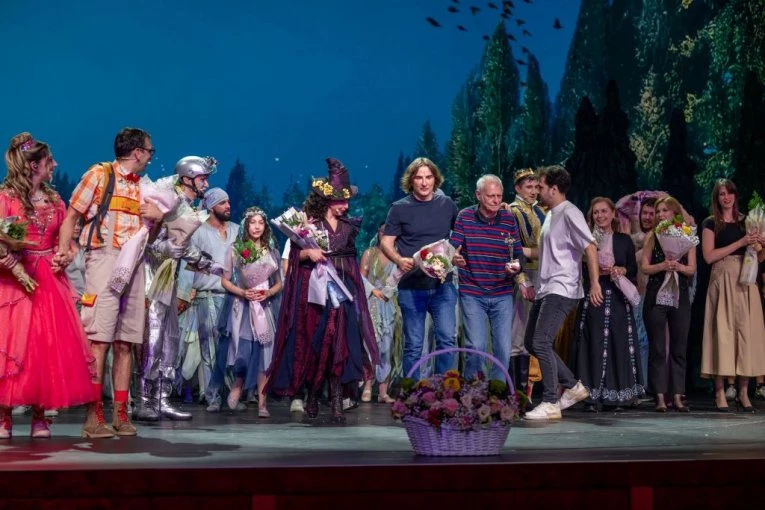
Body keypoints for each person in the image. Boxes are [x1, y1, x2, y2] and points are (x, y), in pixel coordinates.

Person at [58, 127, 164, 438]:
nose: (150, 156)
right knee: (99, 340)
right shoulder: (100, 175)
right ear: (137, 152)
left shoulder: (145, 187)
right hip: (104, 260)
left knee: (125, 342)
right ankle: (93, 415)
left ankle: (120, 413)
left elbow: (151, 238)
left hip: (135, 264)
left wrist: (157, 219)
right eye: (149, 151)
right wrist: (63, 252)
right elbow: (71, 216)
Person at [268, 158, 379, 423]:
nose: (345, 205)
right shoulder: (309, 225)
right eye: (340, 201)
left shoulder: (350, 226)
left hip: (341, 292)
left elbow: (351, 260)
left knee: (339, 343)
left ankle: (338, 400)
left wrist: (352, 287)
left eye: (347, 201)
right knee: (315, 343)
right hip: (314, 294)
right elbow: (294, 259)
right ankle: (313, 394)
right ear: (326, 200)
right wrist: (308, 253)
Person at [0, 133, 95, 438]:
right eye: (49, 161)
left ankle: (40, 414)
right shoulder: (6, 197)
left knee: (46, 345)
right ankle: (4, 415)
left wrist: (63, 256)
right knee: (14, 343)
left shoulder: (55, 200)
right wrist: (14, 265)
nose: (54, 165)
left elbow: (60, 240)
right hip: (15, 279)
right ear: (34, 166)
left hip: (48, 279)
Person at [133, 156, 224, 422]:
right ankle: (143, 400)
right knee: (153, 339)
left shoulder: (186, 205)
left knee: (170, 339)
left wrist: (207, 264)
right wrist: (165, 248)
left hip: (168, 278)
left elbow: (182, 244)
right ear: (187, 179)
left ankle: (162, 398)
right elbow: (147, 238)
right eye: (202, 179)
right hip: (152, 278)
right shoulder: (167, 201)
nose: (205, 184)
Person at [522, 165, 602, 421]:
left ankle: (550, 401)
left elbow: (590, 246)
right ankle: (573, 386)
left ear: (554, 189)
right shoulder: (551, 215)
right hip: (546, 287)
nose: (538, 191)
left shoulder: (570, 212)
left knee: (541, 341)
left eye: (541, 187)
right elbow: (546, 252)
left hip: (562, 287)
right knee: (531, 342)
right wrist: (516, 253)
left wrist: (595, 283)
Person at [380, 157, 459, 380]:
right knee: (414, 344)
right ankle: (412, 393)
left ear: (435, 179)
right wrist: (398, 259)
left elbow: (462, 235)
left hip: (443, 285)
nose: (424, 182)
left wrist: (455, 255)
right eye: (419, 178)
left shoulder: (447, 205)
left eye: (428, 177)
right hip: (411, 286)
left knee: (447, 340)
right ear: (411, 181)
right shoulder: (399, 208)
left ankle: (443, 391)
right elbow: (386, 242)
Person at [574, 197, 644, 412]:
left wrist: (622, 270)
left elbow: (633, 268)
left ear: (613, 213)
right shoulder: (587, 239)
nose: (600, 216)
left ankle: (618, 396)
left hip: (618, 295)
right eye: (596, 212)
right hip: (595, 293)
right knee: (594, 341)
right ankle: (591, 396)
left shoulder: (624, 240)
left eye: (604, 211)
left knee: (618, 341)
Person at [209, 207, 281, 417]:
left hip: (264, 307)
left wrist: (268, 293)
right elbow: (224, 280)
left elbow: (279, 283)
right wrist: (242, 292)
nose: (257, 227)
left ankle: (262, 403)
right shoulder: (236, 249)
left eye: (261, 222)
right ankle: (238, 385)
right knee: (243, 352)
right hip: (242, 306)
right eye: (253, 222)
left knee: (265, 354)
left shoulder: (272, 250)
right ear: (246, 225)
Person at [700, 179, 765, 413]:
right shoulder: (710, 223)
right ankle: (720, 392)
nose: (726, 198)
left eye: (729, 193)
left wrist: (761, 245)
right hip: (722, 280)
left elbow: (759, 257)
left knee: (746, 335)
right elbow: (708, 256)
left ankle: (744, 392)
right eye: (721, 194)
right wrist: (741, 242)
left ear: (736, 196)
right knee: (722, 335)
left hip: (747, 279)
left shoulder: (748, 221)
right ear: (717, 198)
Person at [450, 174, 523, 380]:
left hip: (502, 292)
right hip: (472, 291)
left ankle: (497, 391)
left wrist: (516, 266)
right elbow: (452, 248)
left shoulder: (508, 219)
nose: (496, 200)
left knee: (503, 348)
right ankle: (474, 390)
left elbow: (518, 253)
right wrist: (454, 257)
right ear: (478, 195)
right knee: (476, 346)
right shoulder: (465, 216)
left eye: (499, 196)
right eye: (491, 196)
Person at [177, 188, 239, 410]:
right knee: (209, 348)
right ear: (211, 207)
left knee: (232, 348)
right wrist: (184, 295)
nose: (228, 206)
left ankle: (232, 394)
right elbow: (187, 264)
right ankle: (212, 396)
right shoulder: (199, 232)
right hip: (207, 297)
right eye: (222, 203)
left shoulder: (237, 230)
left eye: (228, 202)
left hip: (234, 297)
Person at [641, 196, 695, 412]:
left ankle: (678, 395)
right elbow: (645, 267)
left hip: (680, 293)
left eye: (664, 210)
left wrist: (678, 267)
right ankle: (660, 396)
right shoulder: (652, 236)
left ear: (674, 213)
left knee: (679, 347)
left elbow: (691, 269)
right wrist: (662, 265)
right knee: (657, 348)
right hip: (656, 292)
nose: (660, 214)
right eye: (658, 211)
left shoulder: (686, 235)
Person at [505, 168, 545, 398]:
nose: (533, 191)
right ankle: (517, 391)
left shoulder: (539, 210)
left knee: (534, 330)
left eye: (536, 187)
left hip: (542, 274)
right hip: (525, 273)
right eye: (528, 187)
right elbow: (512, 250)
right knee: (519, 331)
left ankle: (531, 388)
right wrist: (521, 279)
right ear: (518, 188)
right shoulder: (513, 211)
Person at [360, 223, 399, 403]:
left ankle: (383, 391)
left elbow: (399, 278)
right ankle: (368, 386)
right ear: (378, 233)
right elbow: (361, 278)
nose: (385, 235)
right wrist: (373, 290)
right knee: (370, 346)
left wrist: (389, 291)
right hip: (372, 304)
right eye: (383, 231)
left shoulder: (398, 255)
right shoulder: (370, 253)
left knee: (387, 347)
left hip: (390, 304)